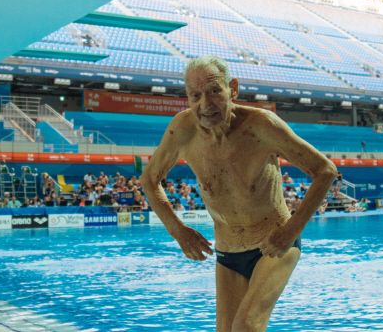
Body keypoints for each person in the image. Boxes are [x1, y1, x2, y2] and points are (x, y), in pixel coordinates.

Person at [140, 56, 337, 332]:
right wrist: (179, 231)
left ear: (233, 88)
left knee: (246, 326)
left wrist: (291, 230)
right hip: (228, 251)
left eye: (214, 91)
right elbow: (149, 179)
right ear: (187, 96)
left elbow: (325, 171)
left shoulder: (262, 126)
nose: (205, 105)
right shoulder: (182, 130)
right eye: (195, 96)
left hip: (273, 244)